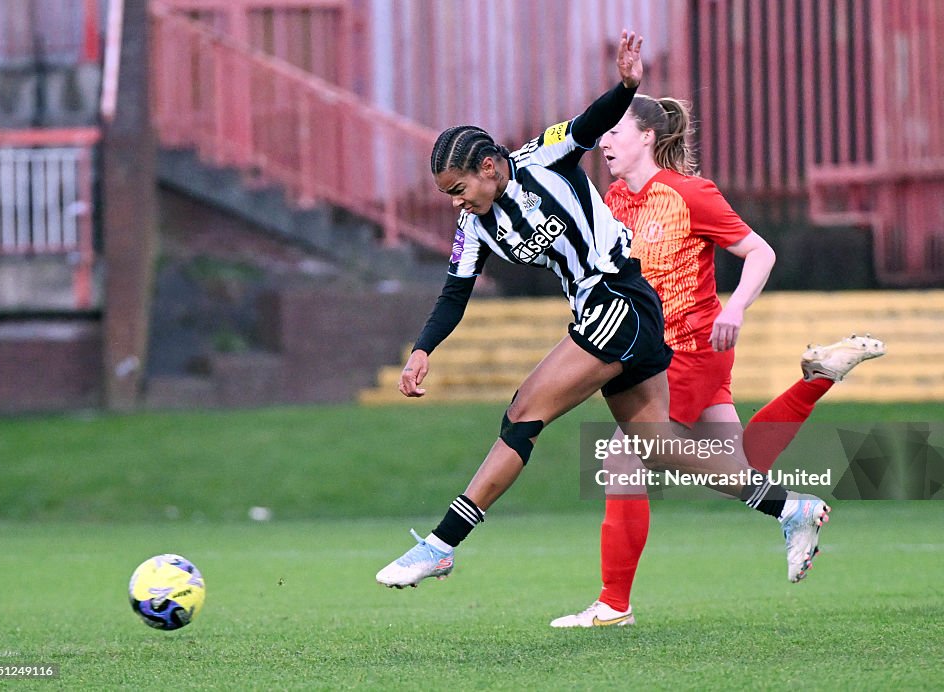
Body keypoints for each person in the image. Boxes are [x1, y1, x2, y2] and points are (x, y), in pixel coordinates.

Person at [375, 31, 831, 593]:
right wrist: (423, 350)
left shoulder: (542, 157)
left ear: (490, 166)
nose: (455, 201)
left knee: (523, 415)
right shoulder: (473, 224)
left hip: (619, 298)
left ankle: (441, 545)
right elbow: (453, 295)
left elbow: (591, 121)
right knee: (660, 449)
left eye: (459, 187)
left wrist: (628, 85)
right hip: (612, 312)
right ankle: (790, 509)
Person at [549, 95, 886, 627]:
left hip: (688, 350)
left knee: (624, 456)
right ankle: (816, 383)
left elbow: (760, 252)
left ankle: (614, 604)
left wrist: (737, 307)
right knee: (739, 462)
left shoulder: (690, 194)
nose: (605, 140)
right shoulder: (613, 199)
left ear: (646, 138)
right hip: (652, 354)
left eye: (615, 131)